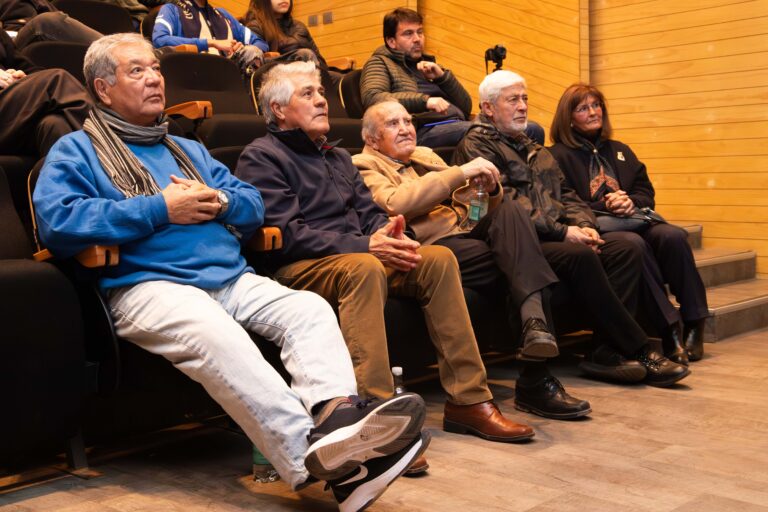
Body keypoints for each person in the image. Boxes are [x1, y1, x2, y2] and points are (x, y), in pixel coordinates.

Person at [33, 33, 428, 512]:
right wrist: (160, 208)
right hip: (148, 286)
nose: (155, 77)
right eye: (135, 70)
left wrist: (219, 200)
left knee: (308, 309)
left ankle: (338, 422)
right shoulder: (77, 151)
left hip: (229, 277)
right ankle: (316, 462)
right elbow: (60, 222)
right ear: (102, 88)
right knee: (218, 333)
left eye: (155, 67)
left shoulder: (187, 149)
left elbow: (252, 203)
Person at [235, 60, 538, 446]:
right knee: (364, 267)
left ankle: (469, 400)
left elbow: (372, 213)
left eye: (322, 93)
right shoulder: (261, 156)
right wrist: (367, 245)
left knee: (437, 259)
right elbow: (290, 235)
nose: (322, 101)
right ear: (278, 109)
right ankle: (377, 420)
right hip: (299, 267)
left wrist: (392, 234)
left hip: (358, 256)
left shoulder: (336, 157)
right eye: (307, 94)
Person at [353, 100, 592, 420]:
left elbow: (472, 211)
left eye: (408, 121)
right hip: (428, 248)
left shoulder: (425, 155)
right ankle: (536, 378)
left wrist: (488, 192)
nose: (407, 128)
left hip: (466, 236)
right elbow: (396, 204)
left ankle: (535, 326)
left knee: (509, 211)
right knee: (522, 261)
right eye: (394, 124)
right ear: (371, 138)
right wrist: (461, 172)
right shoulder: (364, 164)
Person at [454, 70, 691, 388]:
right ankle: (639, 347)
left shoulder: (530, 146)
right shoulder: (477, 146)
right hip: (518, 241)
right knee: (579, 255)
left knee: (626, 248)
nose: (523, 106)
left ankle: (604, 351)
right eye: (513, 100)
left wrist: (583, 224)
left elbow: (567, 194)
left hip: (551, 233)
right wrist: (563, 233)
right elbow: (505, 205)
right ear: (488, 108)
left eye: (524, 98)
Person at [548, 83, 709, 363]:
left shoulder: (620, 150)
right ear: (568, 117)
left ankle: (695, 322)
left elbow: (646, 191)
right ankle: (669, 329)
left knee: (672, 236)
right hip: (597, 226)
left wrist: (630, 202)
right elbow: (562, 202)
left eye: (596, 105)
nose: (593, 112)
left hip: (634, 219)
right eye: (583, 108)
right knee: (634, 245)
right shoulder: (556, 155)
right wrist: (606, 205)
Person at [360, 7, 544, 148]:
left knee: (533, 129)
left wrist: (442, 78)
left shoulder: (429, 65)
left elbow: (465, 106)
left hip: (458, 123)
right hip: (423, 130)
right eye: (408, 33)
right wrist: (425, 101)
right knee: (483, 131)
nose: (417, 39)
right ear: (391, 41)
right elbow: (374, 98)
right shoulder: (380, 63)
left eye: (420, 32)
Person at [0, 27, 92, 157]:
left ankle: (72, 175)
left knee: (55, 124)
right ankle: (113, 155)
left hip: (10, 111)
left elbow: (30, 69)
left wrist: (23, 77)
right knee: (57, 80)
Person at [153, 0, 268, 71]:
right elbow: (159, 40)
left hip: (231, 74)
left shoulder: (222, 14)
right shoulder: (171, 9)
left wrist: (241, 47)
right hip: (195, 73)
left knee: (253, 51)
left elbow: (260, 43)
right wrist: (211, 43)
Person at [0, 0, 102, 50]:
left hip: (43, 36)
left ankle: (112, 50)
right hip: (11, 42)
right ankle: (113, 51)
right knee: (45, 22)